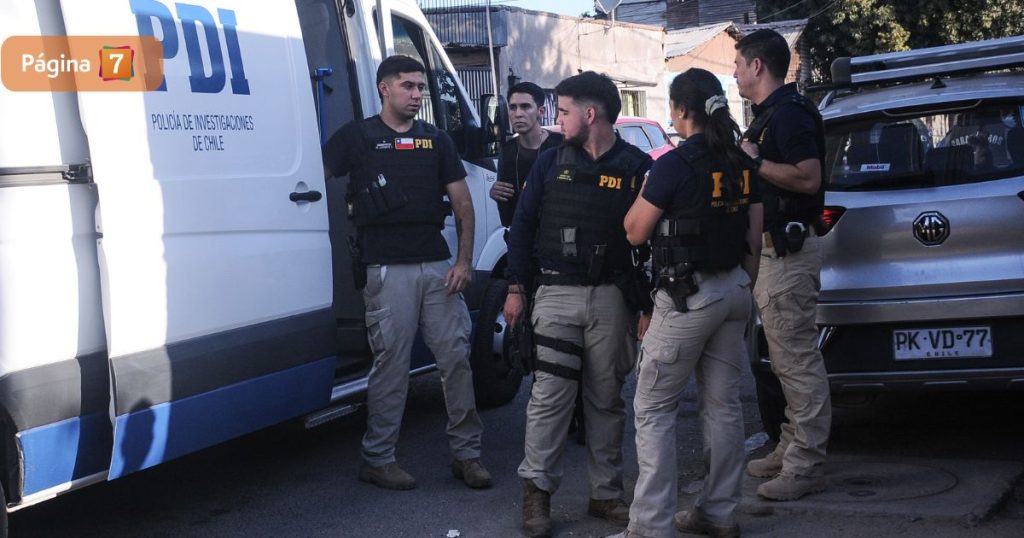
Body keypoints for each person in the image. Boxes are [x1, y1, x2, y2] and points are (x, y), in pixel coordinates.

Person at [323, 55, 491, 492]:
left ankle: (467, 455)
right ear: (385, 88)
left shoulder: (435, 140)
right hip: (385, 266)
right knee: (391, 365)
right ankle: (378, 459)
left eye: (420, 87)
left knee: (455, 358)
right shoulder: (357, 137)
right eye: (408, 86)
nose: (417, 94)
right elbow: (311, 180)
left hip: (436, 264)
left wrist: (464, 262)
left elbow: (463, 204)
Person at [504, 71, 653, 538]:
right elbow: (522, 228)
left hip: (613, 296)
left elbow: (650, 242)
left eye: (564, 111)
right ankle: (536, 494)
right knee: (549, 397)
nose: (558, 120)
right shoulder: (549, 162)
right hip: (555, 292)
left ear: (590, 114)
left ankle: (605, 494)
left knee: (606, 399)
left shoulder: (636, 166)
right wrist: (515, 289)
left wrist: (646, 304)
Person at [618, 68, 762, 538]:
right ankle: (718, 514)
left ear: (680, 110)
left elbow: (634, 231)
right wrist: (741, 288)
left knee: (654, 407)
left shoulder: (673, 165)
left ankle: (649, 527)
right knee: (724, 408)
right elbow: (754, 241)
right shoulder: (741, 163)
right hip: (735, 291)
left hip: (688, 296)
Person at [734, 28, 831, 501]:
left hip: (788, 254)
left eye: (737, 64)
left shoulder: (789, 114)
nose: (734, 73)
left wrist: (754, 164)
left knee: (796, 362)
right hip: (771, 253)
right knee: (783, 360)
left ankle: (805, 464)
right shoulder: (770, 115)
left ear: (757, 66)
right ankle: (791, 445)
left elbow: (808, 179)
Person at [489, 81, 564, 226]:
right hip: (519, 231)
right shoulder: (507, 150)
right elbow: (504, 198)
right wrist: (495, 192)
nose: (518, 114)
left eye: (525, 107)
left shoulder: (561, 145)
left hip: (554, 231)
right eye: (513, 108)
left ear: (541, 111)